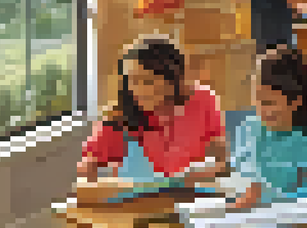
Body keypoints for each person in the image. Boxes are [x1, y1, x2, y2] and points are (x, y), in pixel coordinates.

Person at [77, 38, 228, 182]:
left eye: (147, 81)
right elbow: (86, 170)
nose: (138, 90)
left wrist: (202, 175)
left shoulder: (203, 101)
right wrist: (105, 182)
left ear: (172, 80)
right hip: (135, 199)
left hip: (192, 196)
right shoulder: (119, 117)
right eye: (132, 80)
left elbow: (222, 161)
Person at [224, 46, 307, 208]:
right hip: (237, 209)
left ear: (295, 101)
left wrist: (266, 194)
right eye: (257, 101)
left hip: (277, 218)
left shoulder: (303, 146)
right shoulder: (249, 127)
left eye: (268, 103)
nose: (261, 110)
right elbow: (235, 168)